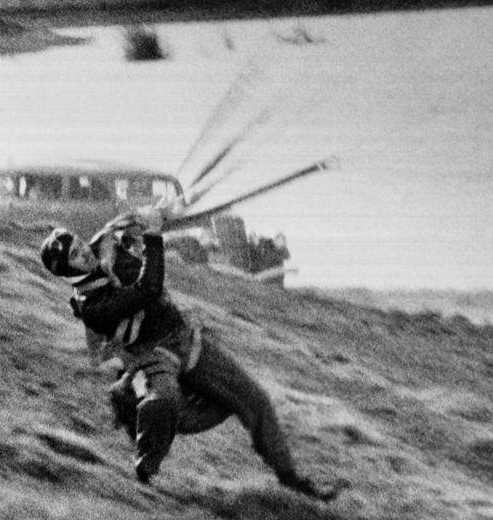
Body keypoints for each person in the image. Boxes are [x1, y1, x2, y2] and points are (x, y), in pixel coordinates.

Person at [40, 209, 341, 501]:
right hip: (150, 355)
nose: (86, 252)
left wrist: (155, 215)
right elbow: (149, 289)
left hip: (186, 340)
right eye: (77, 255)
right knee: (164, 403)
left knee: (253, 399)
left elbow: (128, 222)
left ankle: (291, 479)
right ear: (67, 271)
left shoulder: (103, 242)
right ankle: (145, 462)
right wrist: (153, 234)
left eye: (80, 244)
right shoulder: (93, 309)